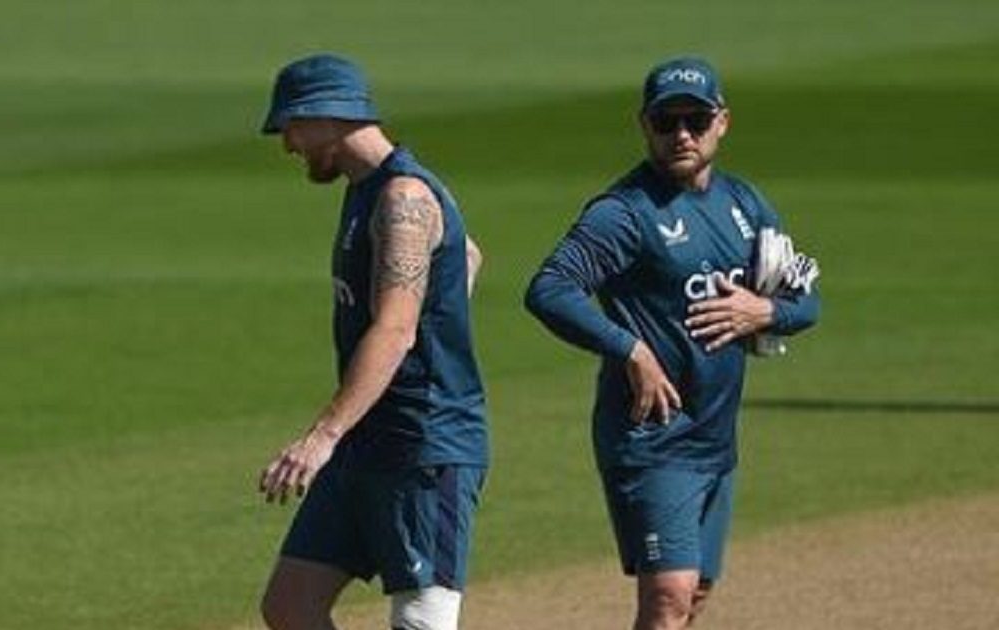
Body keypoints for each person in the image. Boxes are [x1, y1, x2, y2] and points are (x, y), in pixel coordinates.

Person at [524, 56, 820, 629]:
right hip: (652, 436)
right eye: (666, 122)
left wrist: (766, 311)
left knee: (694, 594)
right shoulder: (624, 213)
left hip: (716, 436)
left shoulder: (745, 205)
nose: (682, 134)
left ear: (722, 122)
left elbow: (806, 300)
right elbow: (550, 288)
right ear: (645, 125)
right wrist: (630, 350)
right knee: (669, 597)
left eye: (696, 120)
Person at [256, 53, 488, 630]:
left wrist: (322, 437)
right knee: (290, 606)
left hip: (422, 445)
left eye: (291, 126)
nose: (288, 145)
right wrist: (442, 311)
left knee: (421, 621)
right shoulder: (368, 190)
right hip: (369, 442)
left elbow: (395, 328)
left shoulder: (402, 196)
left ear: (326, 115)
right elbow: (468, 254)